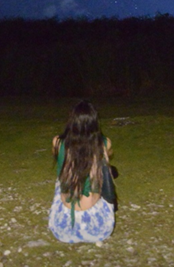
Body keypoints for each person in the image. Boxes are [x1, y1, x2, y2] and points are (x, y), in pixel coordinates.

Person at [48, 99, 115, 243]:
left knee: (59, 181)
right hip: (99, 230)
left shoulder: (57, 142)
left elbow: (55, 154)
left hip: (62, 230)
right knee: (103, 173)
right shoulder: (104, 143)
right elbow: (109, 154)